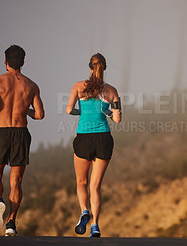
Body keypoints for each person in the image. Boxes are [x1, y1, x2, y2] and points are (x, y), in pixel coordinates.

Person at [0, 45, 45, 236]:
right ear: (23, 62)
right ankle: (11, 224)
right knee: (16, 181)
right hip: (21, 133)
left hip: (1, 132)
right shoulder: (32, 85)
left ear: (5, 61)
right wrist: (22, 108)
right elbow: (40, 115)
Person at [67, 53, 121, 237]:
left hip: (84, 138)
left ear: (90, 68)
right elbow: (117, 118)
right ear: (104, 69)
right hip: (103, 139)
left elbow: (68, 110)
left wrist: (80, 112)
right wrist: (107, 111)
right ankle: (95, 225)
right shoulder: (112, 91)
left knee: (81, 182)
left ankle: (84, 211)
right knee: (95, 186)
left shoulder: (78, 86)